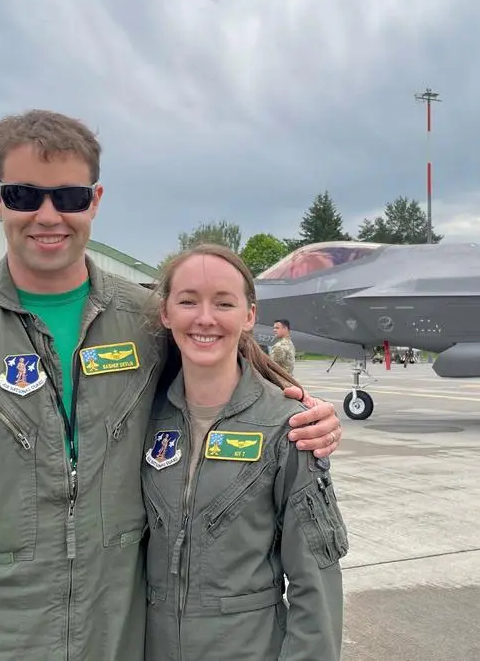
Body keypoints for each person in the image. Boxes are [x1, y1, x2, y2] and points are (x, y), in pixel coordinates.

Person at [0, 109, 345, 660]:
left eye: (70, 197)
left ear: (95, 201)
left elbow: (228, 362)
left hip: (115, 642)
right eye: (25, 194)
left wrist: (307, 408)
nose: (48, 215)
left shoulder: (148, 324)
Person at [141, 245, 346, 660]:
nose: (205, 318)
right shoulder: (143, 417)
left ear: (249, 315)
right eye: (187, 301)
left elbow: (315, 584)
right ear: (165, 313)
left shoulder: (288, 428)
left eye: (223, 303)